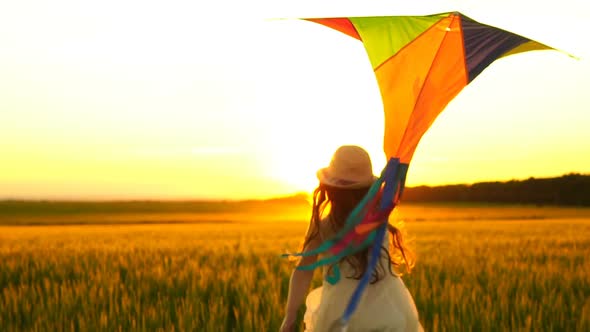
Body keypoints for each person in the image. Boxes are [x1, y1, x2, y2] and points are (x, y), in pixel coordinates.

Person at [280, 145, 423, 332]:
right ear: (367, 189)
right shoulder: (380, 215)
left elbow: (304, 271)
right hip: (387, 314)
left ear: (329, 188)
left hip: (339, 316)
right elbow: (395, 185)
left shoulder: (324, 225)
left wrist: (290, 316)